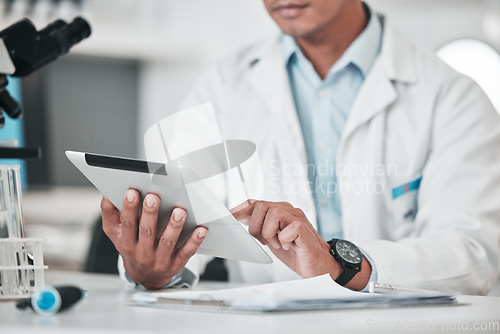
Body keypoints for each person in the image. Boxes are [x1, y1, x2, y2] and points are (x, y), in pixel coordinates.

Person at [101, 0, 500, 294]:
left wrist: (341, 266)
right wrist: (154, 270)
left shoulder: (452, 97)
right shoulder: (222, 89)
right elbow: (182, 227)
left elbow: (473, 254)